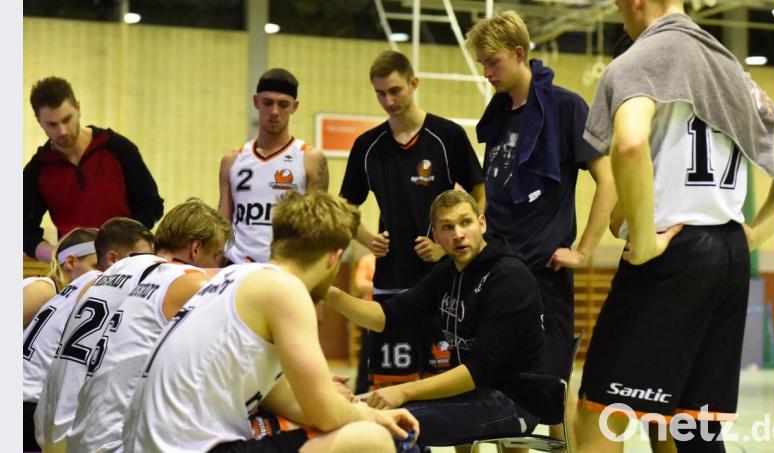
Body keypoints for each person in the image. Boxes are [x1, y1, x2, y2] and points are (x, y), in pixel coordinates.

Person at [573, 1, 774, 452]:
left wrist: (645, 241)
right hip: (728, 252)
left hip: (672, 255)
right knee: (688, 423)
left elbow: (629, 146)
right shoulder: (728, 67)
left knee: (600, 413)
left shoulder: (642, 56)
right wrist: (753, 234)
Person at [123, 191, 419, 452]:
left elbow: (281, 397)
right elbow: (325, 414)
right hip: (187, 447)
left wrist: (353, 409)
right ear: (334, 258)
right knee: (371, 440)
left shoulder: (232, 275)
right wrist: (370, 416)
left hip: (147, 444)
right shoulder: (286, 290)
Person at [326, 190, 547, 447]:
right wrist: (328, 293)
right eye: (447, 227)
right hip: (474, 394)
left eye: (466, 222)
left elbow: (476, 371)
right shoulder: (448, 272)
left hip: (514, 401)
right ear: (435, 235)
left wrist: (403, 390)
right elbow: (384, 316)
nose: (458, 234)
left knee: (391, 424)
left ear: (482, 223)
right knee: (376, 417)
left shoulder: (509, 277)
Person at [465, 10, 617, 342]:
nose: (487, 73)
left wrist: (584, 250)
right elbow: (494, 186)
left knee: (543, 384)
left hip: (543, 274)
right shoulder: (497, 115)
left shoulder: (567, 107)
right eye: (482, 65)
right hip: (496, 267)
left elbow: (609, 181)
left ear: (519, 53)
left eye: (493, 62)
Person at [340, 50, 485, 393]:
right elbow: (344, 207)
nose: (388, 101)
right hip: (391, 285)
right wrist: (364, 237)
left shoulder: (446, 135)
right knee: (390, 388)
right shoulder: (367, 146)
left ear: (413, 84)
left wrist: (447, 247)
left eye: (395, 91)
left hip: (446, 285)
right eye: (380, 93)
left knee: (455, 389)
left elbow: (479, 192)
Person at [66, 198, 232, 452]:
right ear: (196, 248)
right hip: (116, 440)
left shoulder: (117, 269)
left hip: (76, 430)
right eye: (217, 255)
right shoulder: (188, 281)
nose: (217, 266)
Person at [23, 218, 153, 452]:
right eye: (96, 264)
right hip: (30, 401)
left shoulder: (65, 292)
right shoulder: (49, 286)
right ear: (71, 262)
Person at [23, 76, 164, 263]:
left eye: (67, 119)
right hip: (76, 270)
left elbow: (151, 205)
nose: (63, 131)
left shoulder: (119, 149)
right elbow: (22, 231)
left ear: (78, 108)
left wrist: (123, 241)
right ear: (39, 121)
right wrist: (56, 255)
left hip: (126, 260)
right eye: (52, 125)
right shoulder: (37, 170)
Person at [218, 68, 329, 264]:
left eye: (283, 104)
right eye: (268, 103)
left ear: (294, 107)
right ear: (256, 102)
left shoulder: (310, 158)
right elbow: (223, 221)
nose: (275, 111)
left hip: (286, 266)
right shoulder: (232, 160)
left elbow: (316, 226)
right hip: (238, 266)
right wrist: (223, 262)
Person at [23, 227, 98, 327]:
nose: (103, 275)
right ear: (71, 262)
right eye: (96, 267)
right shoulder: (43, 289)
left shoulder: (69, 300)